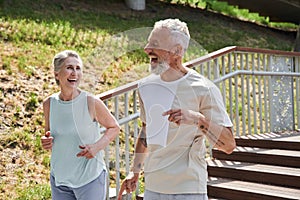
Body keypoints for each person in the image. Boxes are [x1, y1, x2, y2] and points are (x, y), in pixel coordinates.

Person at [118, 18, 236, 200]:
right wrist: (135, 171)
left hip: (188, 190)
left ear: (177, 51)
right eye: (149, 43)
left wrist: (198, 120)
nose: (147, 49)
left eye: (155, 44)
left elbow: (228, 145)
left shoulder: (204, 88)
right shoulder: (145, 87)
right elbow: (146, 130)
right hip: (153, 187)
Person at [41, 50, 120, 200]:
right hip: (60, 179)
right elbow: (49, 135)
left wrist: (97, 147)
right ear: (57, 74)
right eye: (69, 68)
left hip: (89, 179)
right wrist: (46, 142)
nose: (74, 73)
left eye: (78, 68)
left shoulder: (90, 102)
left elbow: (114, 127)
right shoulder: (49, 104)